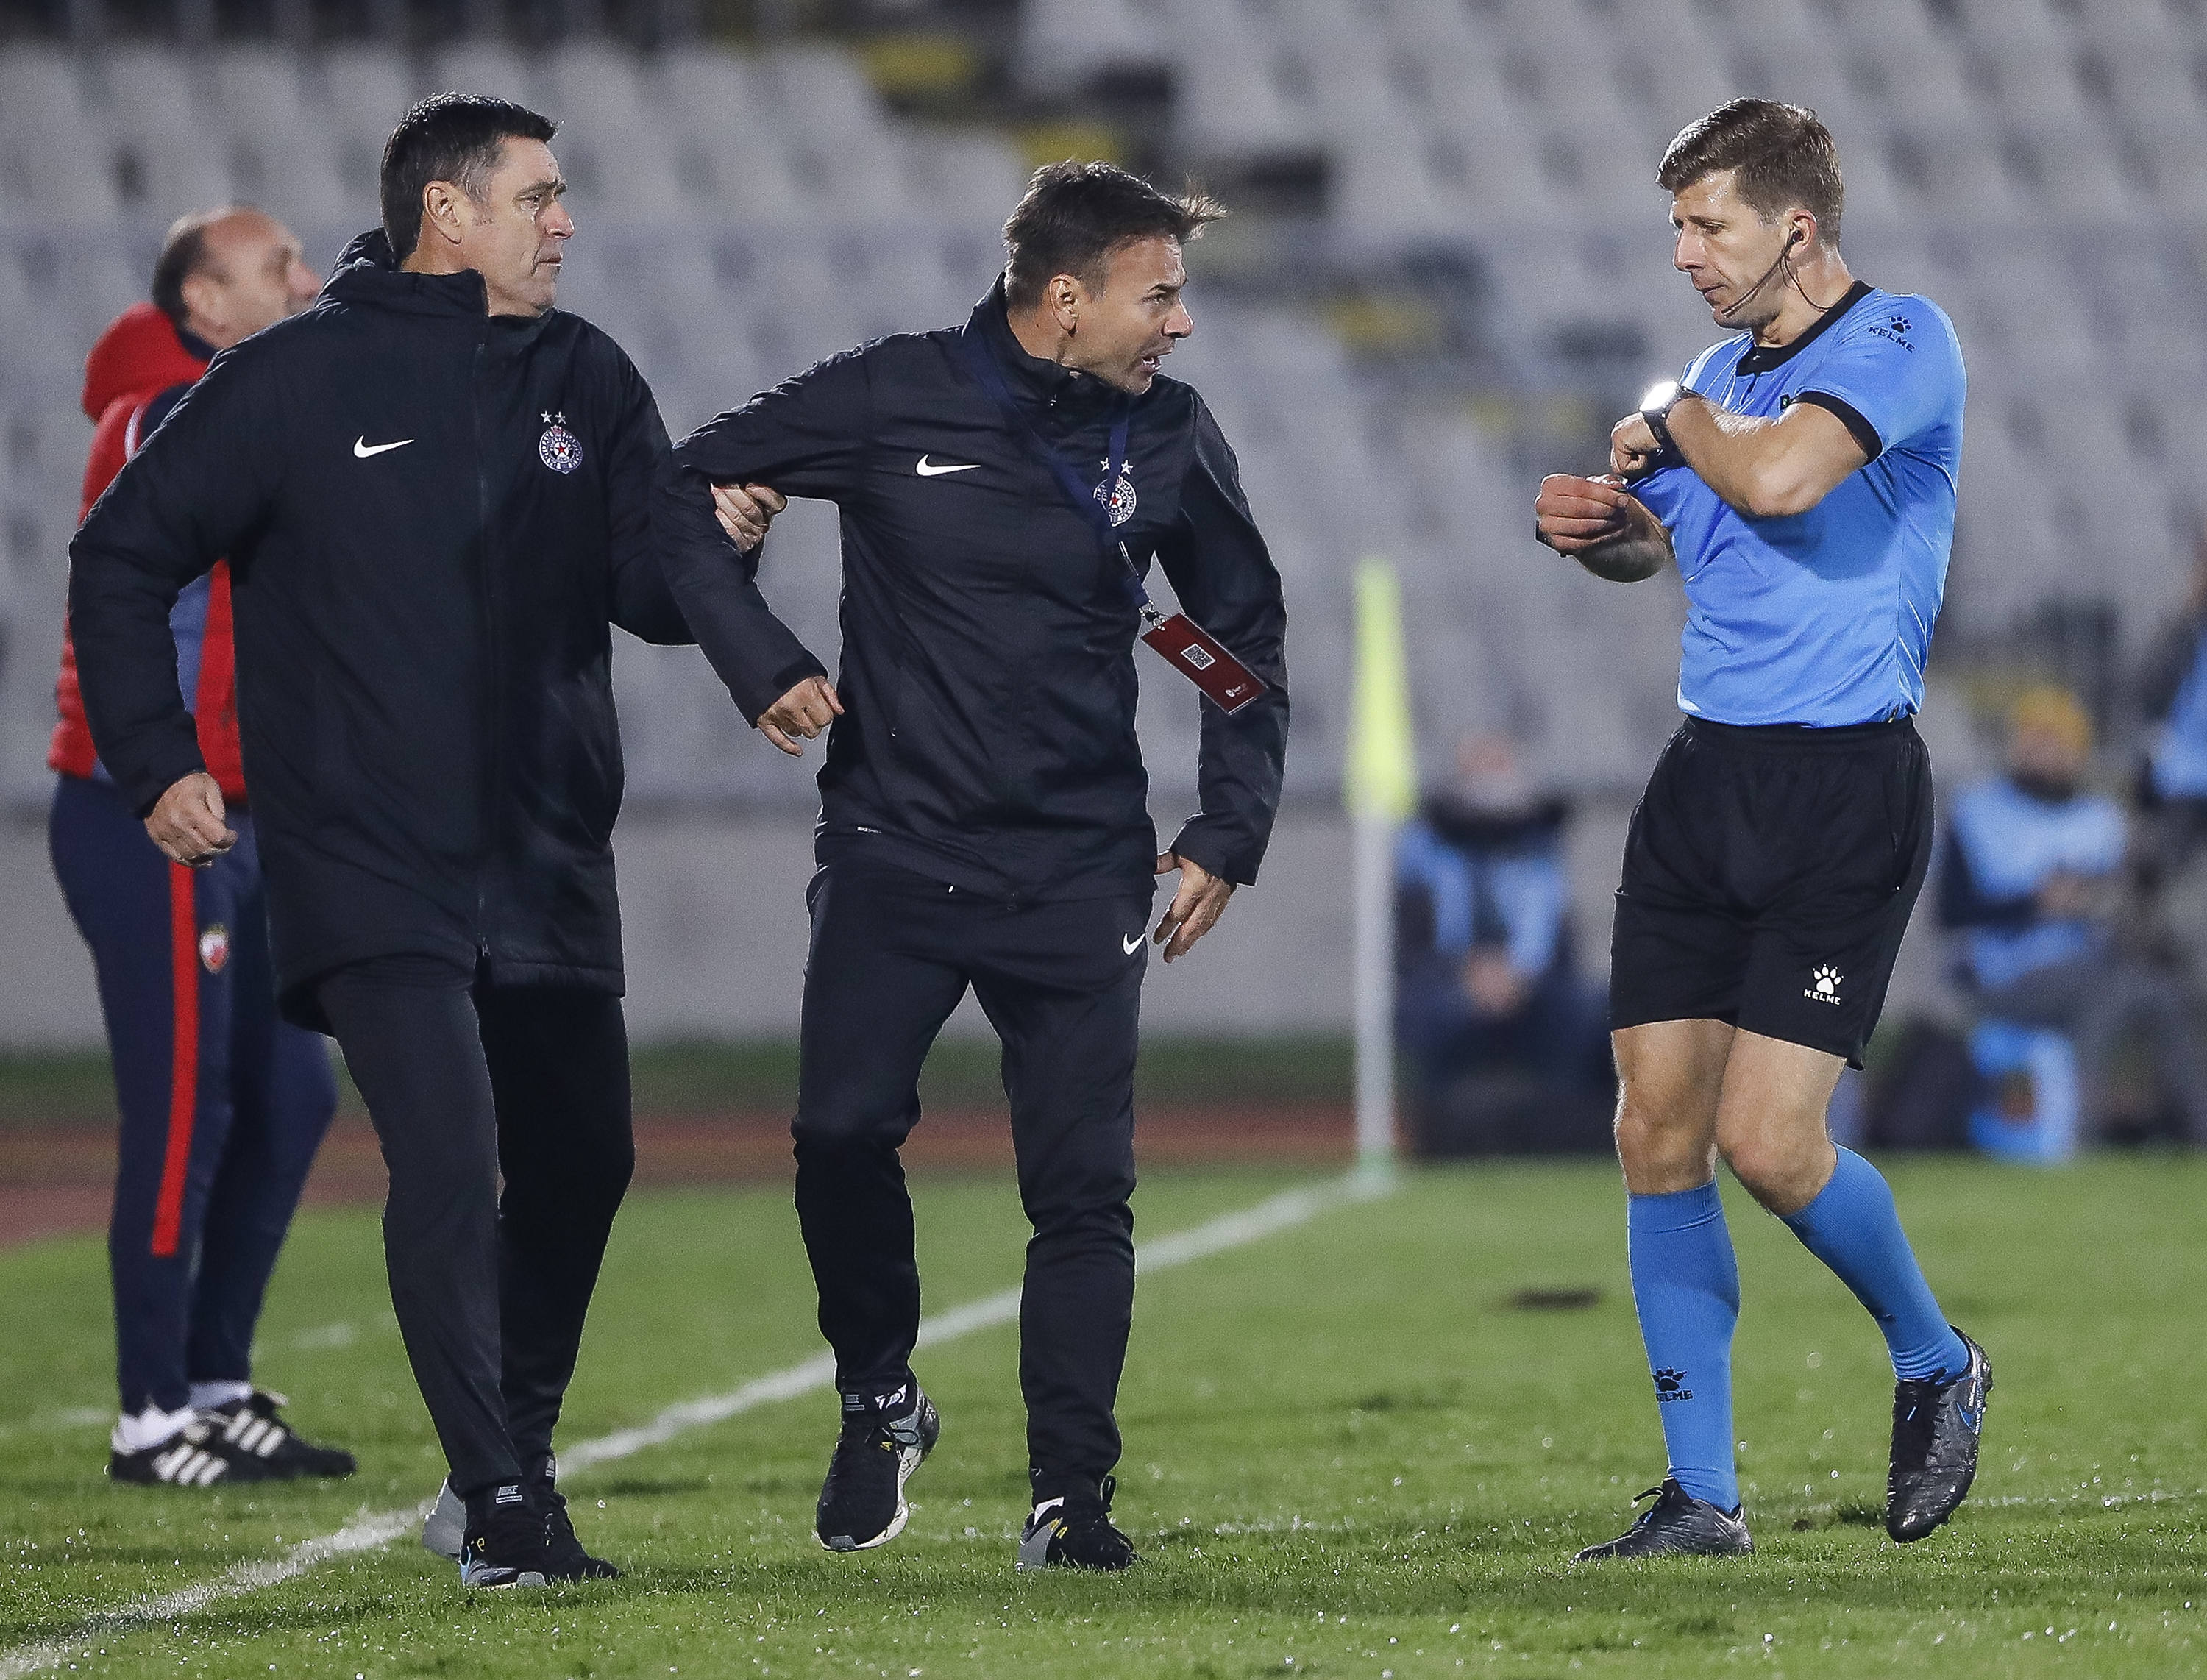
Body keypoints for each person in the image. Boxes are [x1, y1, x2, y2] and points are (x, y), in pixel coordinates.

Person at [68, 95, 712, 1589]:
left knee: (587, 1156)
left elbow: (653, 590)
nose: (566, 222)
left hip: (543, 846)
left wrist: (719, 548)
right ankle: (501, 1503)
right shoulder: (291, 381)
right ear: (449, 212)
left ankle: (512, 1454)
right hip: (364, 851)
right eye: (540, 196)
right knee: (447, 1157)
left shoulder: (582, 372)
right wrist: (155, 756)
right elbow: (119, 555)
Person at [656, 160, 1289, 1570]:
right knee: (836, 1131)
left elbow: (1240, 642)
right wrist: (759, 652)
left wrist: (1225, 828)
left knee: (1081, 1191)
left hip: (1078, 870)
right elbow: (678, 489)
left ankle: (1073, 1496)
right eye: (1159, 294)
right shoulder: (891, 391)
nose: (1178, 324)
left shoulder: (1174, 434)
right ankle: (880, 1392)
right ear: (1066, 300)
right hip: (895, 844)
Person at [1533, 100, 1987, 1560]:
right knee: (1653, 1128)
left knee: (1771, 1142)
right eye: (1677, 225)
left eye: (1707, 224)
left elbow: (1785, 479)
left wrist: (1673, 426)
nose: (1683, 254)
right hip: (1704, 784)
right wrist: (1608, 529)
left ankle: (1935, 1358)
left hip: (1843, 792)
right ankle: (1701, 1494)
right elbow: (1687, 545)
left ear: (1795, 226)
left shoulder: (1904, 341)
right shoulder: (1722, 377)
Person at [49, 205, 354, 1488]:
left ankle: (215, 1383)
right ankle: (149, 1410)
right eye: (272, 267)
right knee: (182, 1106)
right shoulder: (155, 414)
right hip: (149, 811)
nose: (302, 277)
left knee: (290, 1092)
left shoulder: (222, 407)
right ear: (205, 306)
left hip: (243, 808)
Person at [1941, 687, 2207, 1143]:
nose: (2044, 751)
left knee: (2164, 994)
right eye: (2034, 738)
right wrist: (2035, 903)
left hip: (2096, 963)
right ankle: (2080, 1135)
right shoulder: (1976, 811)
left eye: (2056, 740)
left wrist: (2096, 902)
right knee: (2105, 988)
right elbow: (1950, 913)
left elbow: (2128, 905)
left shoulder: (2101, 818)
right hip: (2006, 975)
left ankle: (2196, 1135)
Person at [1393, 733, 1610, 1150]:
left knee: (1591, 1013)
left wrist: (1519, 977)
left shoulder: (1541, 859)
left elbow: (1557, 949)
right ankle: (1441, 1128)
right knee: (1431, 1010)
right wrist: (1467, 975)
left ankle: (1568, 1126)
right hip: (1451, 990)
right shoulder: (1421, 857)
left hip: (1534, 993)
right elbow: (1413, 951)